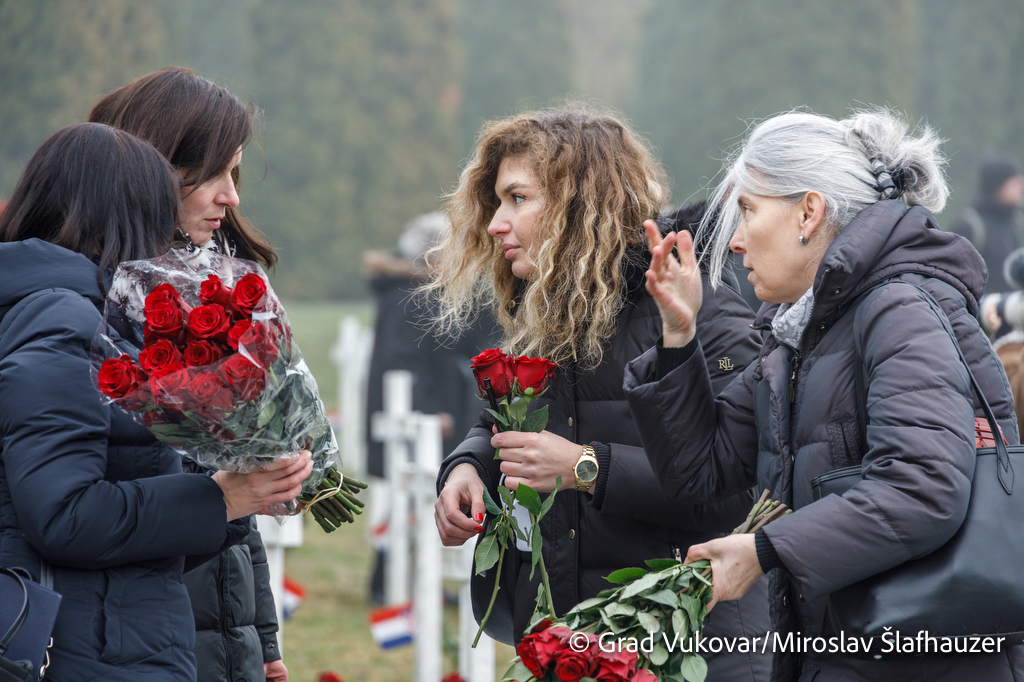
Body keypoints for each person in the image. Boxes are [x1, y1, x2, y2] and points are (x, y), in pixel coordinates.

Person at [624, 108, 1024, 680]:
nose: (734, 241)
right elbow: (701, 470)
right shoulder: (799, 333)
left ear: (809, 212)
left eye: (748, 211)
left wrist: (766, 550)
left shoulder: (898, 309)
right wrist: (679, 334)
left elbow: (923, 487)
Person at [429, 106, 772, 680]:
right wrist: (469, 466)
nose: (495, 224)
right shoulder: (552, 308)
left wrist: (586, 468)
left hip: (695, 646)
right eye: (496, 202)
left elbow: (743, 489)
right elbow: (523, 426)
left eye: (518, 199)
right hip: (579, 642)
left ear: (580, 204)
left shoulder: (694, 310)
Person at [0, 122, 312, 682]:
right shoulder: (63, 320)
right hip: (84, 648)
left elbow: (133, 533)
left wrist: (232, 504)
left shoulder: (80, 312)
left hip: (110, 631)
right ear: (125, 214)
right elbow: (63, 517)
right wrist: (221, 499)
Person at [89, 67, 286, 682]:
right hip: (136, 636)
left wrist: (262, 639)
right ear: (153, 168)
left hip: (221, 631)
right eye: (214, 174)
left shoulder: (212, 284)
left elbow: (231, 489)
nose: (232, 197)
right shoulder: (94, 309)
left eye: (236, 173)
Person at [363, 211, 498, 604]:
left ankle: (410, 581)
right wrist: (427, 411)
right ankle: (387, 583)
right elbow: (403, 362)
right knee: (410, 498)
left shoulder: (410, 292)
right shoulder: (410, 296)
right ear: (433, 257)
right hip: (417, 414)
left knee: (416, 497)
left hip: (426, 410)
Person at [948, 151, 1024, 293]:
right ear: (998, 185)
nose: (1021, 188)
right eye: (1015, 183)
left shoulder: (1015, 225)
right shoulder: (970, 227)